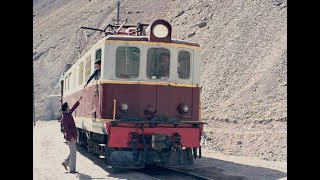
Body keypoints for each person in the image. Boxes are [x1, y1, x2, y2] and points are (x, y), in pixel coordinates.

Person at [61, 94, 83, 173]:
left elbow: (74, 107)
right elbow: (66, 129)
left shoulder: (68, 113)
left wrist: (79, 101)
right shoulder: (65, 117)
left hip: (72, 136)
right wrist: (72, 138)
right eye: (68, 106)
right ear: (66, 108)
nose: (69, 106)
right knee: (73, 153)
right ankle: (72, 170)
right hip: (70, 138)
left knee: (72, 152)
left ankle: (66, 163)